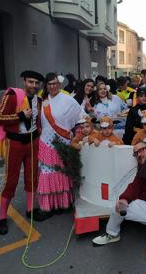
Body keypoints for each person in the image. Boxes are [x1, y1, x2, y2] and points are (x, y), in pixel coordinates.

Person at [0, 70, 46, 235]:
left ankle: (31, 210)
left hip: (33, 142)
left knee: (32, 178)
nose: (34, 85)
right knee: (11, 180)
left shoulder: (38, 99)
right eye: (31, 82)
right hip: (15, 143)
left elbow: (38, 121)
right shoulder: (12, 95)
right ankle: (2, 217)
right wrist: (20, 115)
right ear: (24, 81)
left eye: (36, 83)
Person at [37, 73, 83, 217]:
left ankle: (63, 204)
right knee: (47, 173)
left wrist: (78, 136)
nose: (52, 86)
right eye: (49, 84)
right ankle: (48, 207)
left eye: (55, 83)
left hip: (63, 143)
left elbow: (80, 118)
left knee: (62, 173)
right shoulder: (43, 101)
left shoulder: (69, 100)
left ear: (59, 84)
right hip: (46, 143)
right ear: (46, 86)